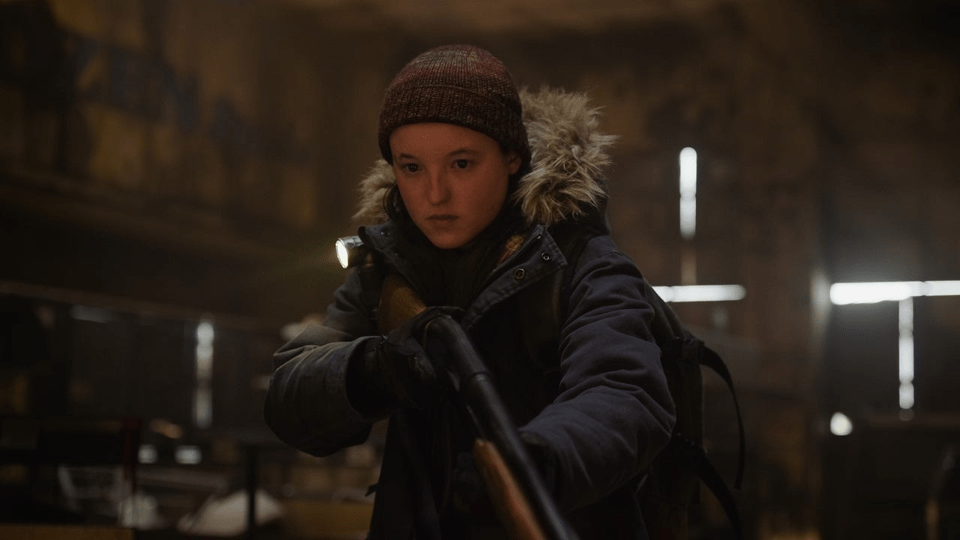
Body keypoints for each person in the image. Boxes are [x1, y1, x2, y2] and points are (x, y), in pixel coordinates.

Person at [264, 44, 676, 539]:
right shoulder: (385, 270)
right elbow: (289, 398)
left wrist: (537, 461)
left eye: (461, 164)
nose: (435, 194)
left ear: (511, 157)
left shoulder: (581, 263)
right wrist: (369, 371)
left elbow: (626, 392)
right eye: (412, 168)